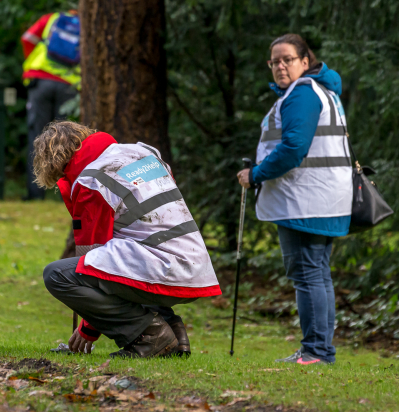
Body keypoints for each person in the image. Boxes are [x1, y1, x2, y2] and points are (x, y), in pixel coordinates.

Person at [36, 121, 221, 358]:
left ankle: (150, 335)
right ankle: (174, 333)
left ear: (54, 161)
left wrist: (88, 329)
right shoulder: (142, 151)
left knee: (56, 275)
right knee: (130, 258)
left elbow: (91, 263)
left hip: (162, 267)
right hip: (195, 267)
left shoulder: (91, 181)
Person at [237, 34, 352, 365]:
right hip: (323, 196)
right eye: (274, 61)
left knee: (307, 274)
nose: (280, 66)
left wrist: (255, 174)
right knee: (317, 272)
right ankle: (319, 350)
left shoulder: (302, 94)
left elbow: (293, 149)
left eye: (287, 59)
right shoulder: (320, 90)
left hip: (306, 199)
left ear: (305, 61)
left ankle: (316, 351)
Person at [21, 11, 81, 200]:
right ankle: (64, 194)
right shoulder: (90, 25)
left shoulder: (52, 18)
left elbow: (27, 38)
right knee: (67, 141)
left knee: (37, 136)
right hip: (70, 86)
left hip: (41, 81)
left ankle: (35, 194)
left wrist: (32, 59)